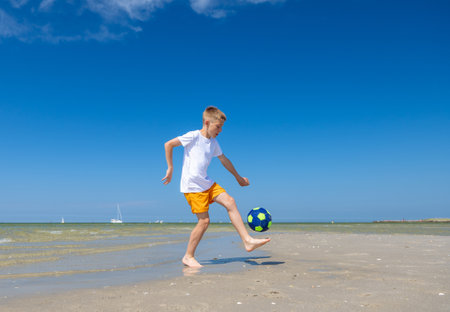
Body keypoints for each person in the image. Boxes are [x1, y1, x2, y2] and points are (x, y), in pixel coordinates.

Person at [162, 106, 270, 268]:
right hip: (192, 187)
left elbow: (224, 160)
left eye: (221, 127)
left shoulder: (214, 143)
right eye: (218, 126)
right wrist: (170, 168)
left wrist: (238, 178)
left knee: (230, 201)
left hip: (207, 183)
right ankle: (188, 256)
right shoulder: (193, 136)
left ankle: (247, 241)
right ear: (207, 122)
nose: (220, 130)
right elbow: (168, 144)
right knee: (204, 221)